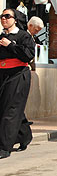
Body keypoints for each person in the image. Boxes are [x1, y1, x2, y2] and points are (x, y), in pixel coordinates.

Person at [0, 8, 34, 159]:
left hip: (18, 75)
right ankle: (24, 135)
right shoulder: (1, 36)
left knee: (11, 110)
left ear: (15, 19)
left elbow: (28, 56)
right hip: (3, 74)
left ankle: (4, 147)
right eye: (2, 16)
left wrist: (10, 45)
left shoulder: (23, 36)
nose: (4, 19)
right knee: (7, 107)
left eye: (7, 16)